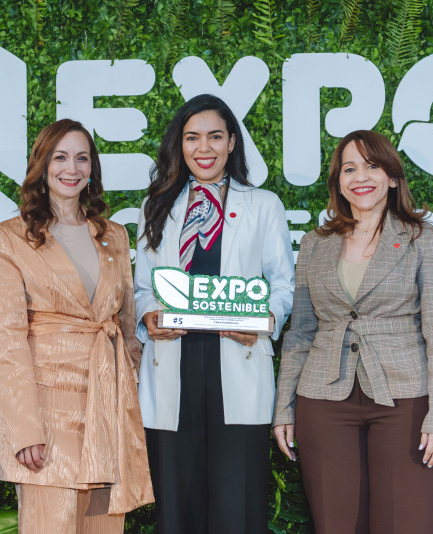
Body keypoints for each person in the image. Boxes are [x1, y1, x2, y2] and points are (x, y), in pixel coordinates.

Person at [273, 130, 433, 534]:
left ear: (392, 177)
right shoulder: (313, 244)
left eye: (372, 166)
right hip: (323, 403)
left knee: (405, 524)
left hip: (405, 401)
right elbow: (301, 332)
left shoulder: (422, 239)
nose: (361, 176)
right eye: (349, 168)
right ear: (338, 181)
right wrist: (284, 408)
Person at [134, 94, 295, 534]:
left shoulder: (263, 205)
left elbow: (283, 284)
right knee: (177, 513)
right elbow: (142, 287)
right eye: (192, 137)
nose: (203, 148)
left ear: (231, 144)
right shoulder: (156, 206)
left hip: (237, 366)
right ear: (179, 146)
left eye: (214, 137)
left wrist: (264, 322)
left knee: (236, 512)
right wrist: (148, 314)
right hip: (173, 367)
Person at [0, 119, 153, 533]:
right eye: (60, 157)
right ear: (42, 166)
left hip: (108, 412)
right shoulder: (9, 237)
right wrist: (24, 429)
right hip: (47, 418)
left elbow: (127, 330)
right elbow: (5, 340)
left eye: (82, 158)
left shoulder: (114, 236)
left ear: (92, 168)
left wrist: (128, 403)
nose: (71, 168)